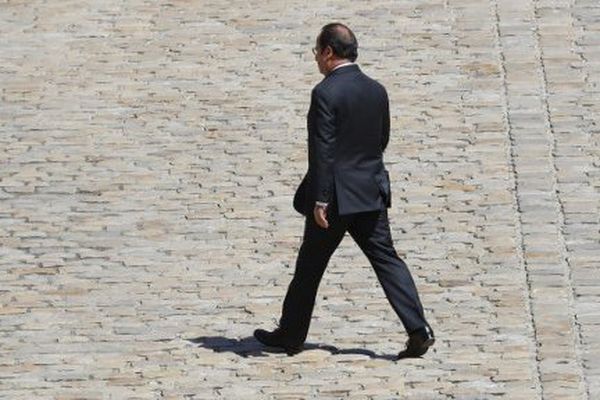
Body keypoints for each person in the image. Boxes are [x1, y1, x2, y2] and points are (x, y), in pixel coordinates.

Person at [254, 22, 435, 360]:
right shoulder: (376, 89)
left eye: (316, 53)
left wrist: (320, 199)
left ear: (327, 53)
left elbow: (321, 150)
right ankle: (418, 328)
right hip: (369, 192)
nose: (316, 60)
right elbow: (381, 139)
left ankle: (291, 334)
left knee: (309, 267)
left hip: (334, 199)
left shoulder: (325, 93)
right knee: (387, 260)